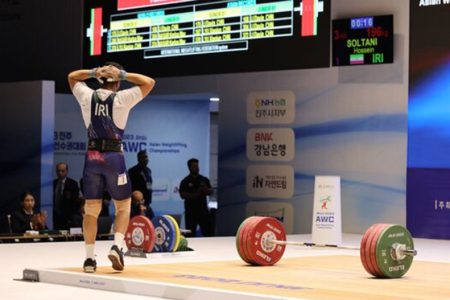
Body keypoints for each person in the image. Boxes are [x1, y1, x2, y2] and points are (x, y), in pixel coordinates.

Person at [68, 62, 155, 273]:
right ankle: (117, 246)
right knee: (123, 206)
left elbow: (71, 77)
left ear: (100, 79)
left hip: (92, 157)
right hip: (114, 158)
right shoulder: (122, 99)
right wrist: (124, 74)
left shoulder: (87, 96)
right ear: (117, 82)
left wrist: (92, 72)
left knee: (91, 211)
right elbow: (149, 82)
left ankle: (89, 260)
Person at [179, 158, 214, 237]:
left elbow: (210, 192)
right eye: (194, 166)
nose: (197, 168)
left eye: (197, 166)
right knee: (190, 234)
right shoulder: (185, 181)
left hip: (203, 211)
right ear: (189, 168)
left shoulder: (204, 179)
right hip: (190, 212)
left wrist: (205, 188)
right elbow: (183, 195)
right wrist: (197, 193)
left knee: (207, 233)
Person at [53, 162, 80, 230]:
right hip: (55, 216)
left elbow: (75, 201)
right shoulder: (53, 183)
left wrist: (71, 216)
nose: (60, 173)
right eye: (58, 171)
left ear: (67, 171)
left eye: (62, 171)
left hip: (68, 217)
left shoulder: (73, 184)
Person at [128, 150, 155, 218]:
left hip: (147, 203)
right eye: (144, 157)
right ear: (139, 159)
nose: (146, 159)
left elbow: (149, 185)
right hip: (136, 204)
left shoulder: (148, 171)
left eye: (147, 157)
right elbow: (128, 188)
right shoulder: (132, 171)